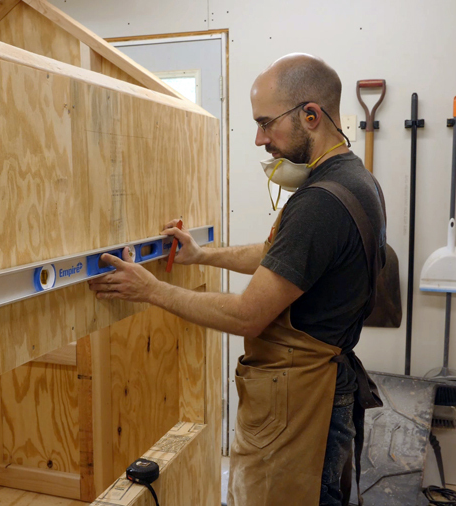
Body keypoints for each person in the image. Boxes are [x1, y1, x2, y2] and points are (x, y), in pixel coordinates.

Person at [88, 53, 385, 506]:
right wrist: (203, 255)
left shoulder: (318, 204)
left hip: (299, 402)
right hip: (321, 389)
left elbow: (249, 315)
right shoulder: (354, 180)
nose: (259, 139)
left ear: (311, 115)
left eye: (267, 124)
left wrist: (149, 289)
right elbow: (280, 259)